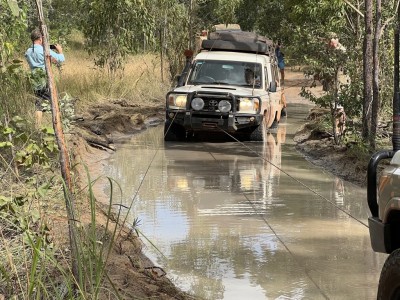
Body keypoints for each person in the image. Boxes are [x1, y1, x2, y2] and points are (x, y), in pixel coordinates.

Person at [25, 28, 65, 127]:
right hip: (44, 79)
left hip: (34, 79)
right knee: (54, 102)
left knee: (38, 103)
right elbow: (61, 59)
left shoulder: (28, 51)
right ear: (40, 38)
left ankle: (37, 127)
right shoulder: (43, 50)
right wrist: (60, 51)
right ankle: (58, 125)